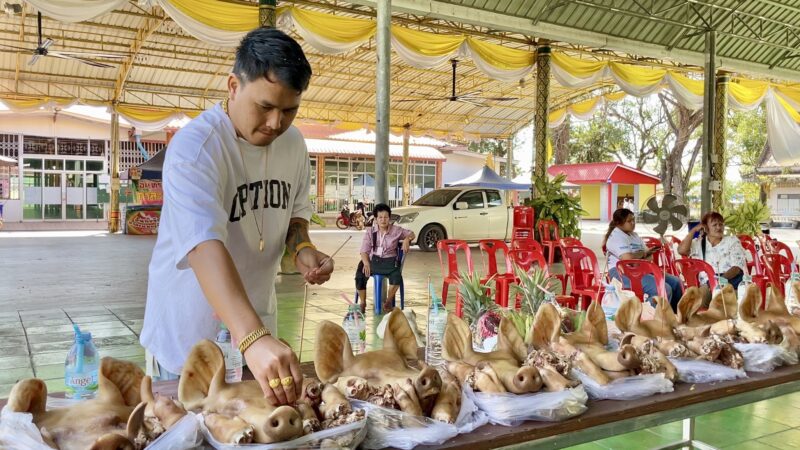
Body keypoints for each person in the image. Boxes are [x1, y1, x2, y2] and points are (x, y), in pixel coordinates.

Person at [140, 28, 333, 407]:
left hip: (257, 334)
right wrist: (252, 338)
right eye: (265, 106)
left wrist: (302, 249)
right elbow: (203, 246)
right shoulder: (197, 149)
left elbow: (295, 216)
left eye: (289, 110)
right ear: (233, 86)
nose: (276, 123)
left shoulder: (293, 144)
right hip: (190, 345)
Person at [604, 208, 684, 310]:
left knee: (676, 282)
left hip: (641, 270)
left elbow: (649, 257)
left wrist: (641, 255)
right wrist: (643, 254)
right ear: (619, 223)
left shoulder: (634, 235)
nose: (633, 223)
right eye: (629, 221)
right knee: (664, 289)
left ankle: (675, 314)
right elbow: (628, 260)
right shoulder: (616, 237)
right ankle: (644, 313)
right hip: (622, 273)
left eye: (633, 220)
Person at [355, 203, 414, 314]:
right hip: (373, 260)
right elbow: (364, 250)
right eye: (380, 217)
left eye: (386, 217)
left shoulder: (396, 230)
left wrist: (407, 239)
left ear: (389, 218)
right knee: (360, 273)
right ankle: (362, 302)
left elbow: (411, 233)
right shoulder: (370, 231)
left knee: (396, 276)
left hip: (390, 261)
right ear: (376, 219)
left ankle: (388, 302)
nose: (383, 220)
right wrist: (366, 263)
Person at [678, 211, 747, 298]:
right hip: (707, 285)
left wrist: (719, 281)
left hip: (729, 283)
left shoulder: (732, 241)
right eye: (714, 225)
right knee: (696, 300)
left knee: (722, 299)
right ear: (706, 228)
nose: (719, 227)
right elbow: (681, 250)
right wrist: (693, 231)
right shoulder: (699, 243)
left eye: (721, 224)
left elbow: (736, 268)